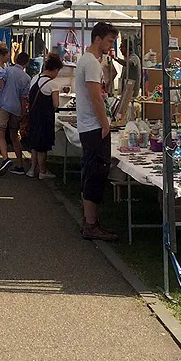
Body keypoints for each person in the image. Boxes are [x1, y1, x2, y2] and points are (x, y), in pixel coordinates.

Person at [75, 22, 119, 241]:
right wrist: (105, 123)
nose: (112, 45)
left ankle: (89, 221)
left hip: (88, 125)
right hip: (93, 126)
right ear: (97, 39)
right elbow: (95, 96)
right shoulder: (91, 63)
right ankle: (91, 224)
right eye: (110, 41)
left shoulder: (88, 60)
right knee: (96, 172)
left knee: (92, 171)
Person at [24, 53, 63, 180]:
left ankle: (31, 169)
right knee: (42, 146)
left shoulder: (35, 78)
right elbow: (56, 104)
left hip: (33, 116)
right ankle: (42, 170)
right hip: (45, 118)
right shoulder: (53, 84)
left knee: (34, 144)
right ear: (55, 70)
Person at [0, 52, 31, 175]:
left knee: (1, 133)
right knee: (14, 136)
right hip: (16, 108)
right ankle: (20, 165)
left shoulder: (7, 70)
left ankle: (5, 158)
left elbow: (0, 83)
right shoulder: (27, 78)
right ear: (26, 63)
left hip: (4, 105)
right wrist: (22, 111)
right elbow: (23, 97)